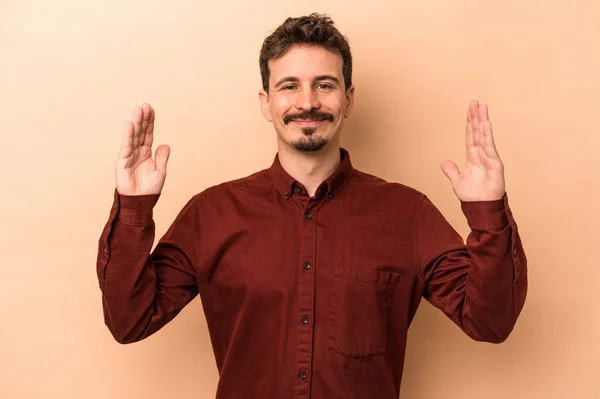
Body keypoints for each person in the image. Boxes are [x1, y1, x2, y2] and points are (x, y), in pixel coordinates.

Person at [96, 12, 527, 399]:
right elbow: (130, 321)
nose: (307, 102)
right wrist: (134, 207)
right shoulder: (212, 214)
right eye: (289, 86)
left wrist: (487, 213)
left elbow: (490, 322)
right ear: (267, 103)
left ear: (349, 99)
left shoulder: (407, 214)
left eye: (325, 85)